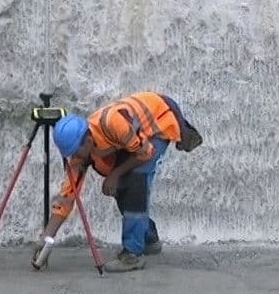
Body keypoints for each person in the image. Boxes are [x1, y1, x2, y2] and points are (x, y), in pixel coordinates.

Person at [33, 91, 202, 273]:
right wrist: (46, 236)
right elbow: (67, 197)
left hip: (159, 119)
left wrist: (115, 174)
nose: (74, 157)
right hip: (133, 135)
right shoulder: (81, 148)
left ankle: (132, 255)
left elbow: (146, 153)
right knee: (121, 187)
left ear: (88, 141)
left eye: (76, 152)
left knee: (135, 179)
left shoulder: (114, 124)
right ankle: (149, 239)